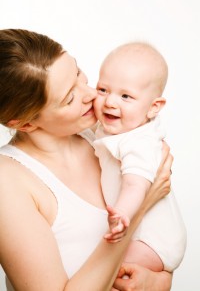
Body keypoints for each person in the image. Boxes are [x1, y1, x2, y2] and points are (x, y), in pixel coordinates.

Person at [0, 29, 173, 291]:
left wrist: (157, 281)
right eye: (70, 97)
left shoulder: (105, 135)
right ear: (25, 123)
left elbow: (161, 246)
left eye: (79, 74)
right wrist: (138, 209)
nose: (92, 95)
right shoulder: (8, 182)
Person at [93, 42, 186, 272]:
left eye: (126, 96)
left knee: (103, 270)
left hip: (154, 242)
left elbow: (136, 184)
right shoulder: (112, 127)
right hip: (137, 234)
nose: (110, 102)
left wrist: (122, 214)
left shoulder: (140, 141)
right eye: (103, 89)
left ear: (153, 107)